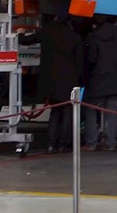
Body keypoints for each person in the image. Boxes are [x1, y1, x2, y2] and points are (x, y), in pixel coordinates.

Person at [35, 14, 84, 154]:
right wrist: (80, 82)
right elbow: (79, 64)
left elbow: (28, 39)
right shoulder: (75, 38)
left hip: (52, 81)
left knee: (55, 112)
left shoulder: (48, 33)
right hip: (70, 81)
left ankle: (51, 145)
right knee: (68, 113)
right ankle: (63, 144)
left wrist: (19, 35)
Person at [81, 16, 117, 151]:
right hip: (115, 79)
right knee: (111, 111)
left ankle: (91, 143)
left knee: (91, 110)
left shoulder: (93, 36)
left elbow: (91, 59)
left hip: (98, 79)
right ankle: (110, 143)